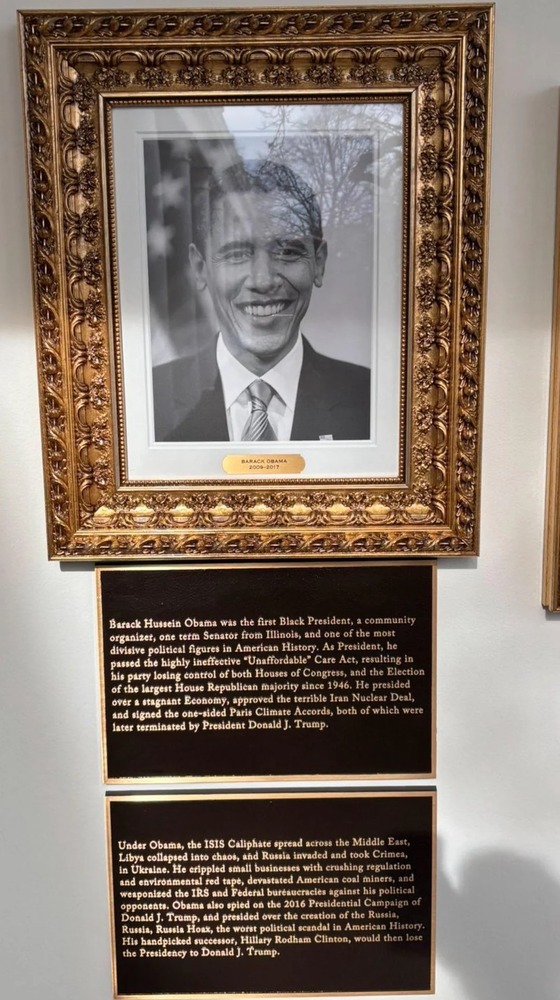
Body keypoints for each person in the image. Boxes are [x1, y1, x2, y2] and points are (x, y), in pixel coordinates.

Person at [153, 159, 371, 442]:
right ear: (200, 268)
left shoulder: (371, 401)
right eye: (236, 254)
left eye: (288, 252)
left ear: (319, 263)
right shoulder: (146, 400)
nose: (263, 280)